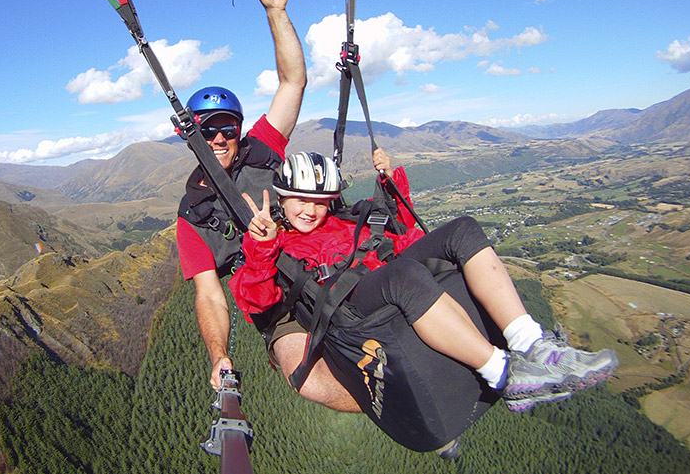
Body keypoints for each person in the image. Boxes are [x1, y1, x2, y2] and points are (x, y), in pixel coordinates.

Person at [229, 149, 619, 413]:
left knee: (462, 231)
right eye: (300, 200)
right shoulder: (275, 244)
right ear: (281, 197)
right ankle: (505, 372)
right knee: (402, 275)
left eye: (320, 201)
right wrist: (261, 246)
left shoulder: (344, 221)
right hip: (348, 307)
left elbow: (406, 238)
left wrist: (390, 182)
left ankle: (533, 344)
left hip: (389, 279)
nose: (311, 210)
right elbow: (257, 302)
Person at [176, 0, 359, 411]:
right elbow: (209, 294)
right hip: (276, 295)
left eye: (227, 128)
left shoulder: (261, 148)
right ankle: (401, 407)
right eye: (207, 131)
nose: (219, 139)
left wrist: (276, 12)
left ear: (239, 129)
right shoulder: (193, 216)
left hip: (328, 253)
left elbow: (292, 82)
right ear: (191, 136)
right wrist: (219, 354)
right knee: (306, 376)